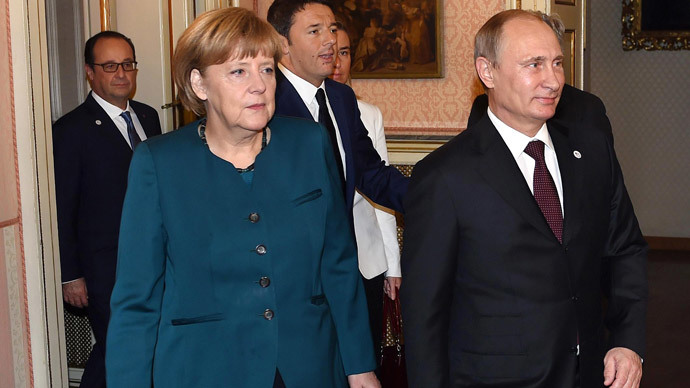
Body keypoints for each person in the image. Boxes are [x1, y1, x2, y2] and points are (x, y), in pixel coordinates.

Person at [105, 8, 379, 388]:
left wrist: (359, 365)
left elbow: (339, 264)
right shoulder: (159, 164)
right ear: (199, 84)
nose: (259, 85)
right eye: (238, 71)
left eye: (266, 69)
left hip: (308, 366)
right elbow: (137, 302)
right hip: (205, 368)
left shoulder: (309, 144)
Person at [401, 9, 647, 388]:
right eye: (534, 65)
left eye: (557, 63)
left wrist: (628, 342)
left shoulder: (591, 150)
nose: (553, 80)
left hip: (591, 376)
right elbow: (424, 316)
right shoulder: (444, 177)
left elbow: (625, 249)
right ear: (488, 72)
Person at [52, 30, 161, 388]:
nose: (121, 74)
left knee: (134, 344)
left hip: (154, 258)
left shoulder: (148, 116)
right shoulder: (70, 130)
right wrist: (71, 274)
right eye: (110, 65)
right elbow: (63, 208)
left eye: (128, 64)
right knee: (122, 345)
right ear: (90, 72)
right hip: (104, 267)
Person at [266, 0, 408, 219]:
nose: (331, 40)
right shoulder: (265, 102)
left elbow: (372, 174)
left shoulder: (342, 97)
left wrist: (438, 199)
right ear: (282, 43)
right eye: (315, 31)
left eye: (332, 29)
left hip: (344, 250)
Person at [331, 23, 401, 362]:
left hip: (368, 260)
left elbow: (380, 190)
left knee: (368, 355)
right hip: (324, 263)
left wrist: (393, 264)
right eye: (331, 53)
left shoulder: (369, 114)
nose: (337, 62)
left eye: (344, 52)